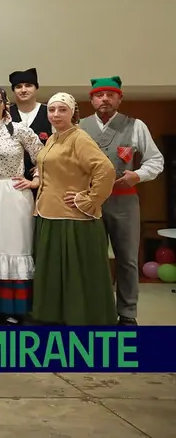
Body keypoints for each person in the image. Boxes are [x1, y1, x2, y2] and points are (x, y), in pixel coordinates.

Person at [79, 76, 163, 325]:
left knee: (126, 259)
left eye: (110, 94)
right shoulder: (79, 127)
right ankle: (97, 311)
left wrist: (137, 175)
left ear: (119, 98)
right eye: (99, 94)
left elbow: (155, 160)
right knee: (92, 258)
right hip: (89, 202)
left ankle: (127, 314)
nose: (105, 98)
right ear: (92, 99)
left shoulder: (136, 126)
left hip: (124, 202)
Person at [33, 92, 117, 325]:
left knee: (76, 274)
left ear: (73, 113)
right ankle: (56, 317)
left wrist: (90, 199)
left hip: (73, 218)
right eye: (52, 110)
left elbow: (105, 169)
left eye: (62, 109)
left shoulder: (79, 138)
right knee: (55, 273)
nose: (56, 114)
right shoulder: (53, 139)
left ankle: (82, 318)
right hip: (49, 214)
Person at [0, 87, 44, 323]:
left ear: (5, 104)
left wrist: (34, 180)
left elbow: (44, 159)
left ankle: (15, 307)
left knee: (13, 249)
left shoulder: (20, 130)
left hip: (13, 195)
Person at [8, 68, 52, 185]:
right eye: (18, 86)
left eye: (28, 85)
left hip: (47, 178)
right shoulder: (6, 114)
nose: (23, 90)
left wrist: (43, 166)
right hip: (14, 180)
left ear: (36, 87)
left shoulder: (50, 112)